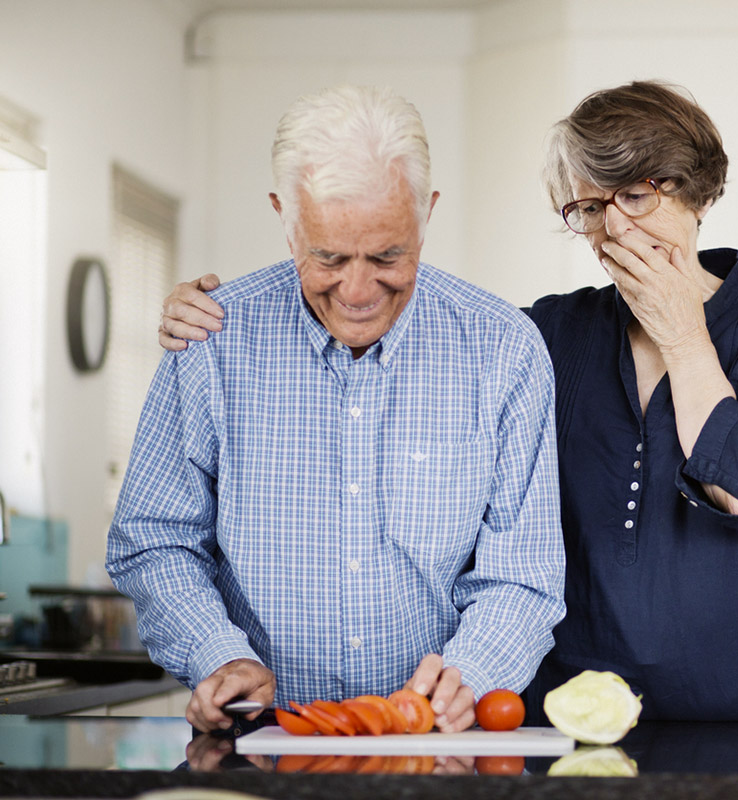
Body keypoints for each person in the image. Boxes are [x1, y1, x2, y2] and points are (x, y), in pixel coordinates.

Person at [159, 80, 738, 722]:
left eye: (638, 196)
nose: (614, 230)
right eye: (588, 208)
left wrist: (682, 336)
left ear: (698, 192)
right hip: (576, 715)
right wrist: (206, 314)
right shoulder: (544, 336)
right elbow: (432, 337)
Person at [109, 85, 565, 735]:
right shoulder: (210, 342)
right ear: (284, 215)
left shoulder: (503, 350)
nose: (356, 292)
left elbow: (522, 573)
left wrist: (468, 674)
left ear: (427, 214)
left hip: (435, 746)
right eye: (327, 257)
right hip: (258, 738)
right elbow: (156, 538)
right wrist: (220, 653)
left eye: (387, 256)